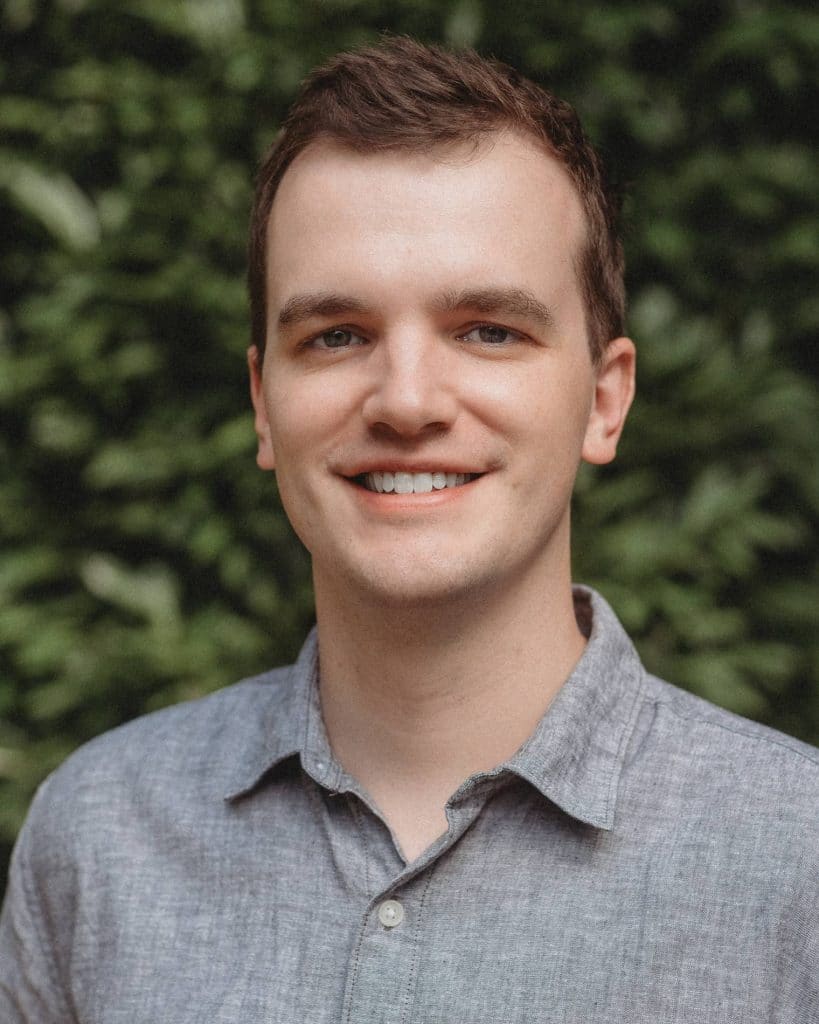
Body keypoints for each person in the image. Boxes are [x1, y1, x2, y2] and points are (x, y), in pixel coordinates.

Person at [1, 36, 816, 1023]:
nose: (407, 400)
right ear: (265, 402)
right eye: (337, 335)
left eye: (488, 330)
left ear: (605, 401)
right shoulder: (98, 839)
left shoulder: (794, 859)